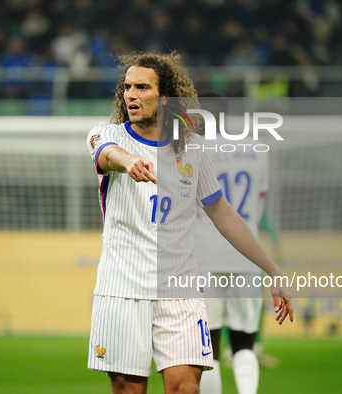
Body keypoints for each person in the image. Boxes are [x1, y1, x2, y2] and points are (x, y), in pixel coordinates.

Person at [86, 52, 293, 394]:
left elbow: (224, 214)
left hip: (179, 290)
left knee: (186, 387)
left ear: (165, 96)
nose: (131, 95)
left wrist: (272, 269)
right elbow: (107, 154)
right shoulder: (106, 134)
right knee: (129, 389)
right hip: (122, 289)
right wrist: (128, 160)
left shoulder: (191, 148)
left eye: (142, 87)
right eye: (127, 88)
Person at [194, 94, 275, 394]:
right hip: (247, 254)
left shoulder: (192, 149)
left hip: (204, 253)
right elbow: (260, 201)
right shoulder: (256, 149)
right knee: (244, 341)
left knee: (209, 346)